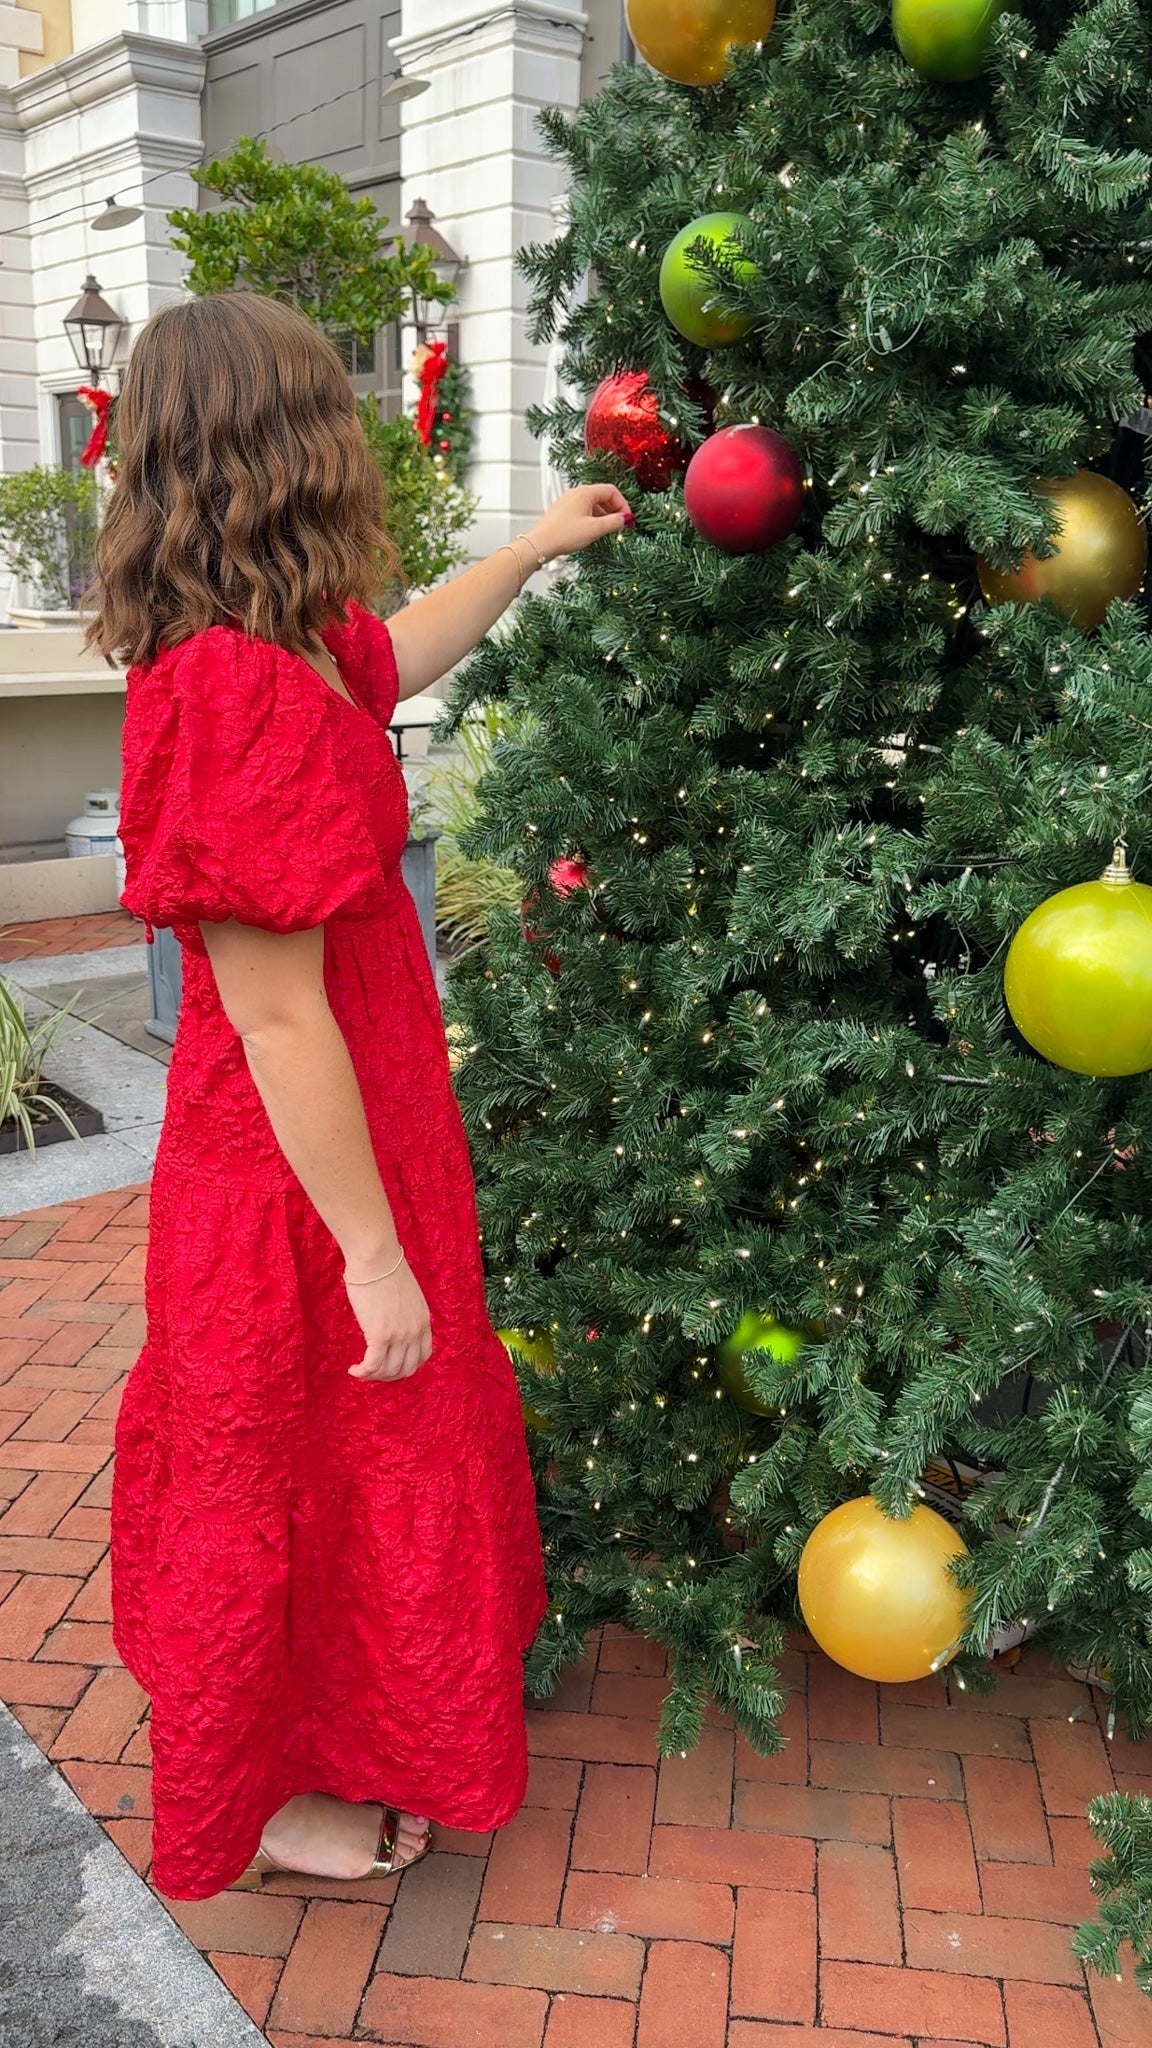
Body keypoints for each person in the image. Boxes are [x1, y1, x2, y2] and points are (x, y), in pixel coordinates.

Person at [87, 290, 630, 1902]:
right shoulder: (225, 690)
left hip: (357, 1133)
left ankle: (349, 1736)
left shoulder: (300, 647)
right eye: (332, 408)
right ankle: (261, 1797)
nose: (356, 436)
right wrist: (371, 1252)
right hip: (291, 1174)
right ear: (279, 445)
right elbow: (268, 1012)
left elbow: (403, 650)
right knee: (288, 1464)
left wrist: (530, 548)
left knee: (349, 1458)